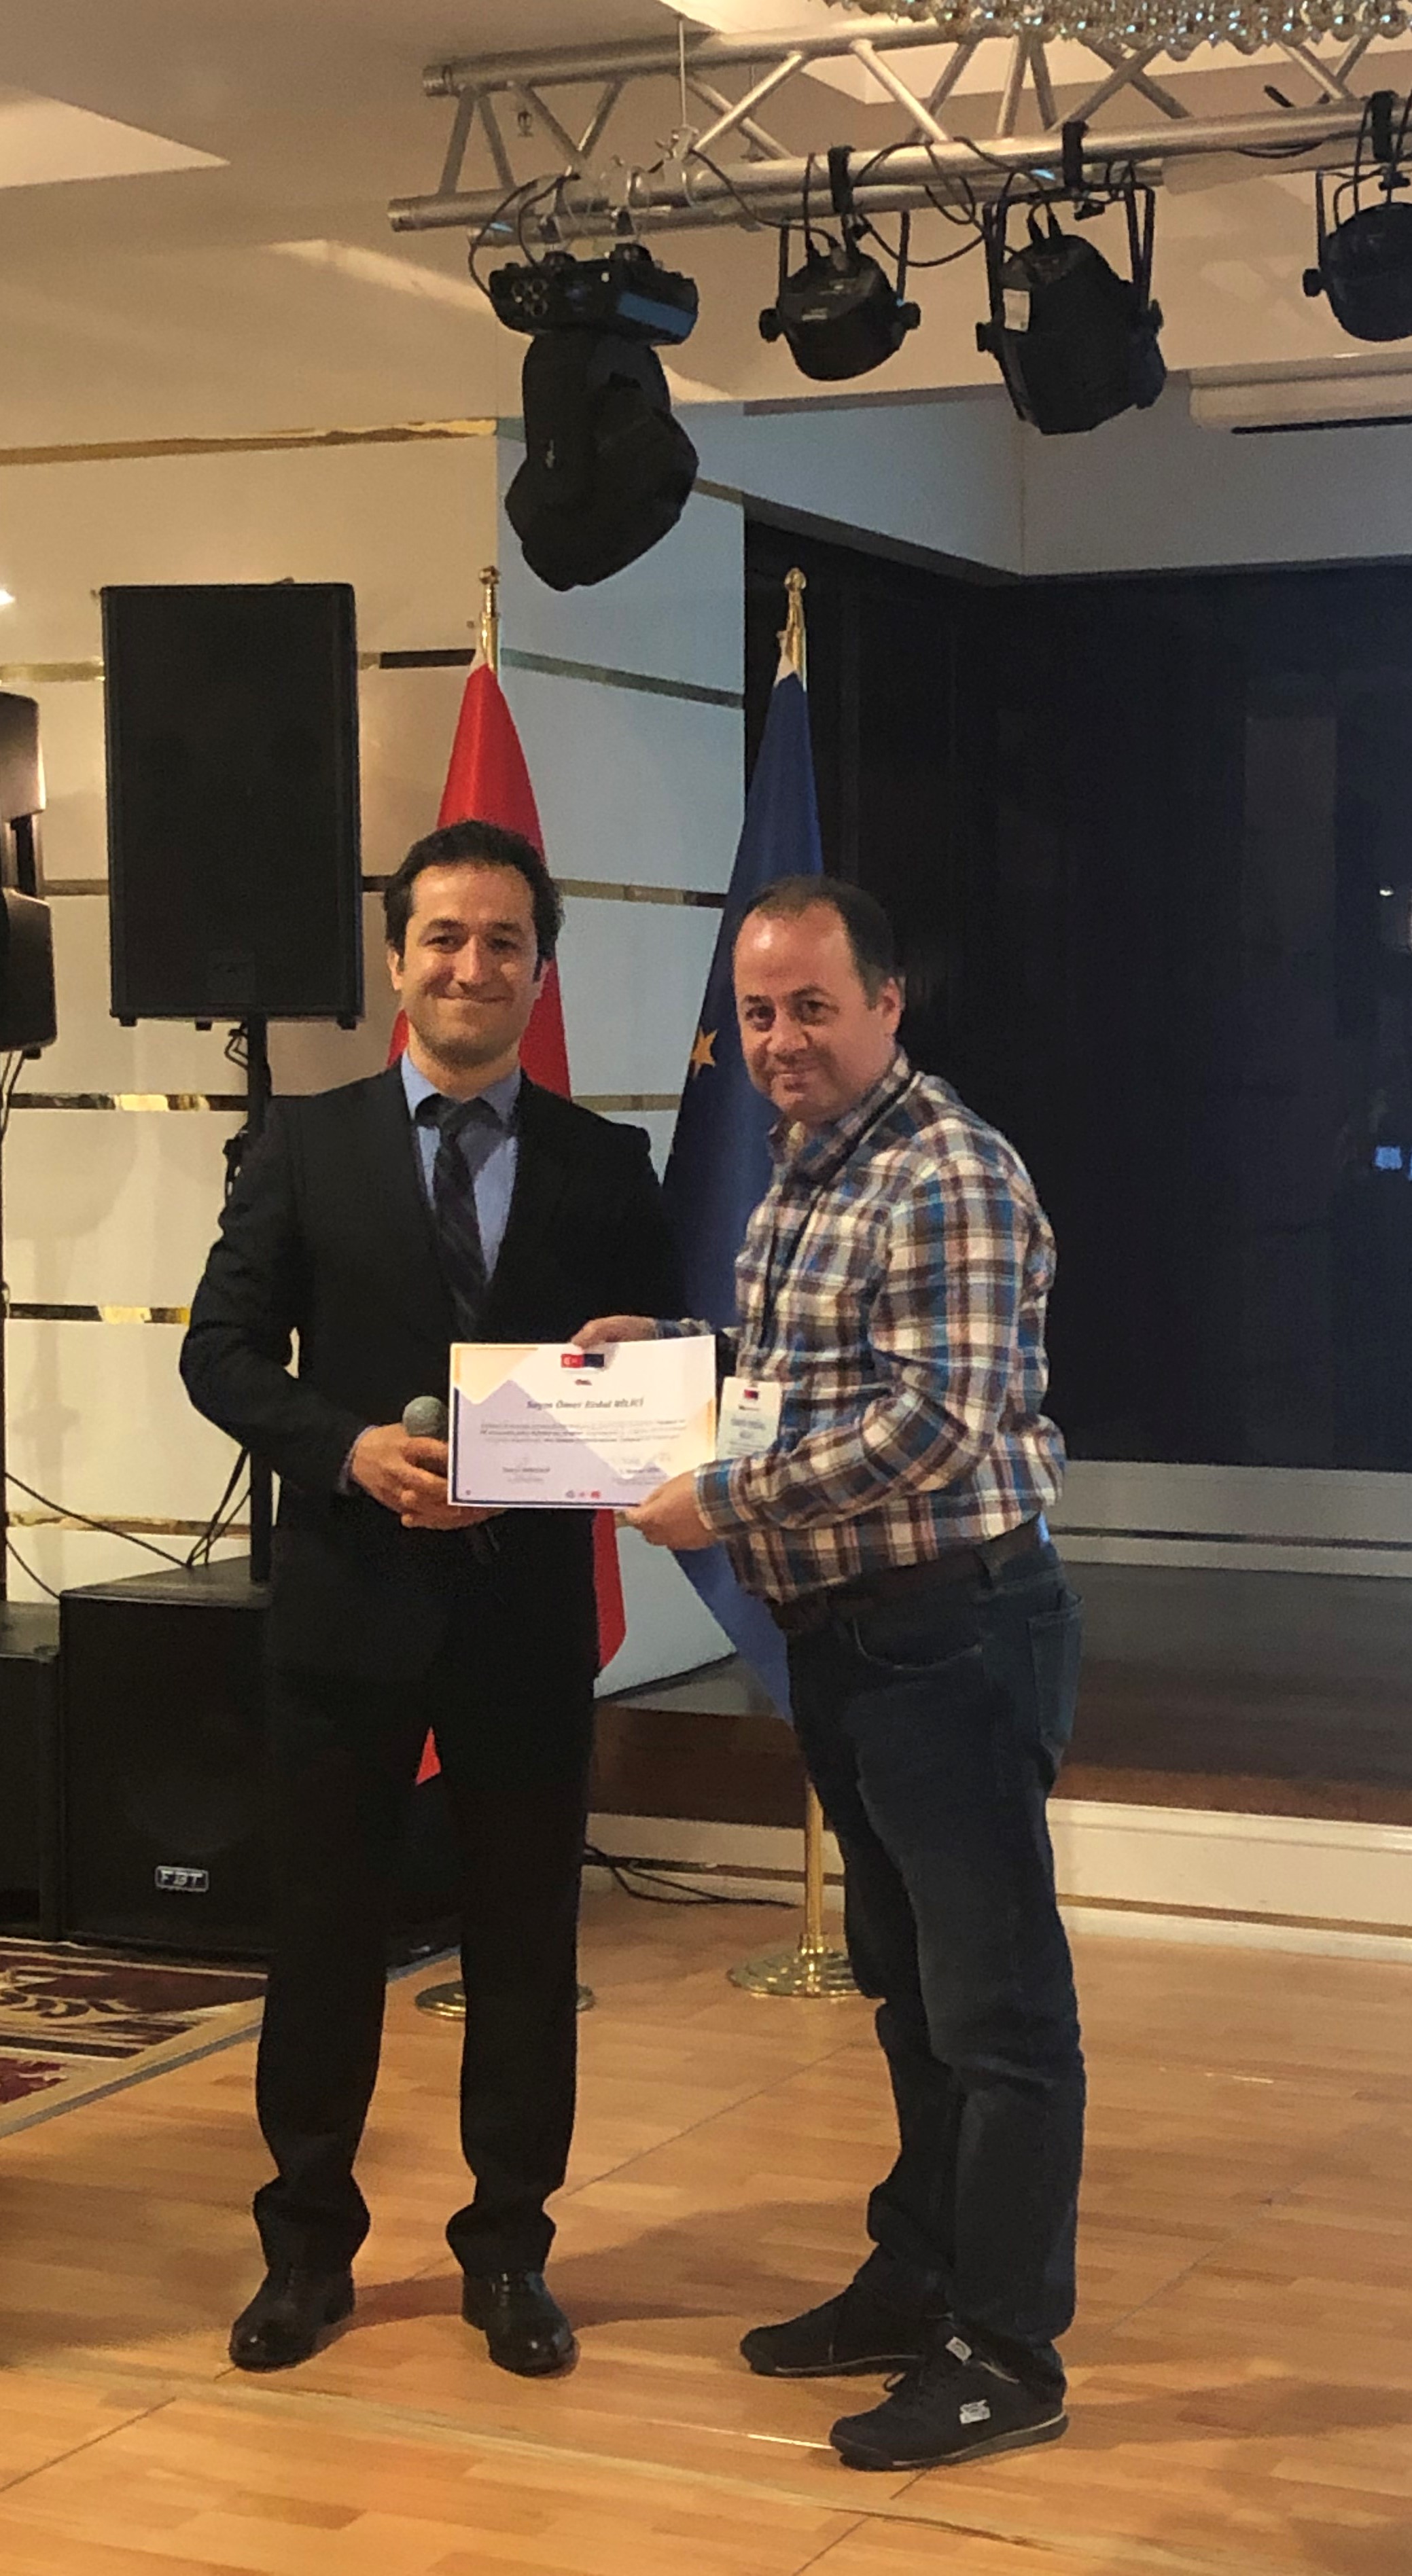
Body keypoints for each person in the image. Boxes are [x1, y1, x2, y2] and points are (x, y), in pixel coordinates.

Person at [578, 875, 1083, 2473]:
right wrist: (675, 1365)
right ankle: (916, 2280)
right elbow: (809, 1386)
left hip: (953, 1637)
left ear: (886, 1002)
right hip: (854, 1645)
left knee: (996, 2014)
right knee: (910, 1995)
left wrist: (721, 1502)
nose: (782, 1038)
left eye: (813, 1004)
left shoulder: (947, 1173)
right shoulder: (809, 1166)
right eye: (759, 1012)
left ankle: (1007, 2352)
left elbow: (930, 1426)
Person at [181, 817, 682, 2380]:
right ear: (396, 961)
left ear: (540, 974)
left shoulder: (608, 1164)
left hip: (524, 1616)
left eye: (504, 942)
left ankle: (511, 2253)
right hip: (347, 1607)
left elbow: (669, 1366)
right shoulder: (303, 1144)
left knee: (526, 1945)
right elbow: (219, 1354)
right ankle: (305, 2253)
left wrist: (655, 1354)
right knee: (323, 1941)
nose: (473, 965)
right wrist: (343, 1449)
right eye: (445, 937)